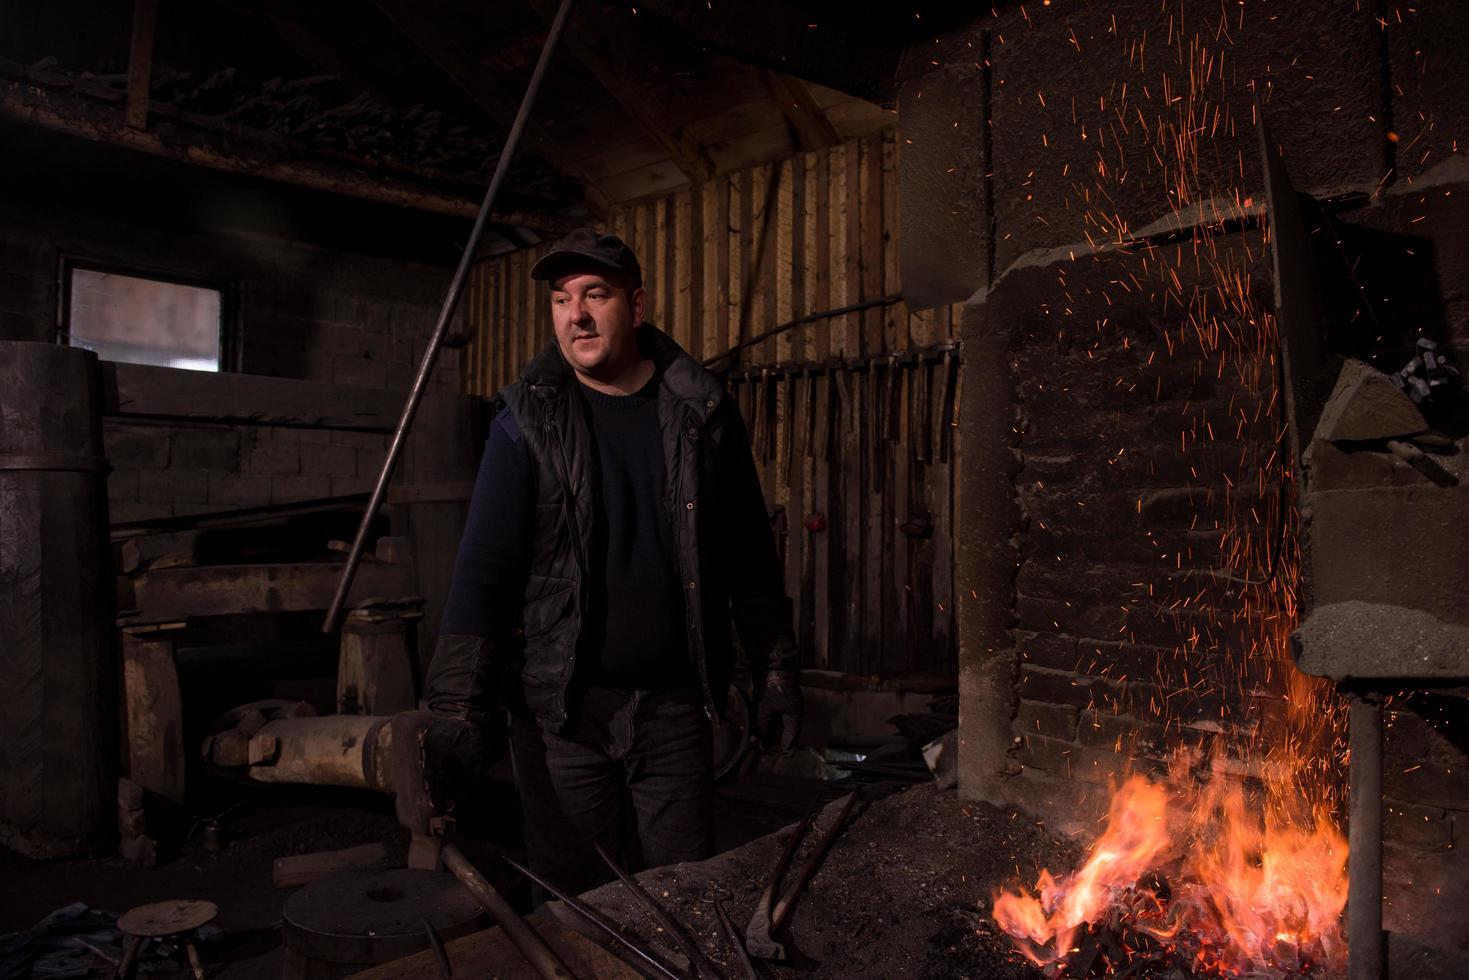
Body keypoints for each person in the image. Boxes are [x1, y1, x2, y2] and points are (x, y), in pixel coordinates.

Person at [419, 228, 803, 894]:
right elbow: (484, 568)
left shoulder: (701, 413)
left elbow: (747, 552)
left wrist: (774, 667)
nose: (577, 315)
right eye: (562, 300)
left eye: (596, 294)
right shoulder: (524, 422)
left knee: (686, 897)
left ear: (637, 306)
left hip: (676, 711)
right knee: (576, 903)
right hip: (562, 717)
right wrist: (456, 707)